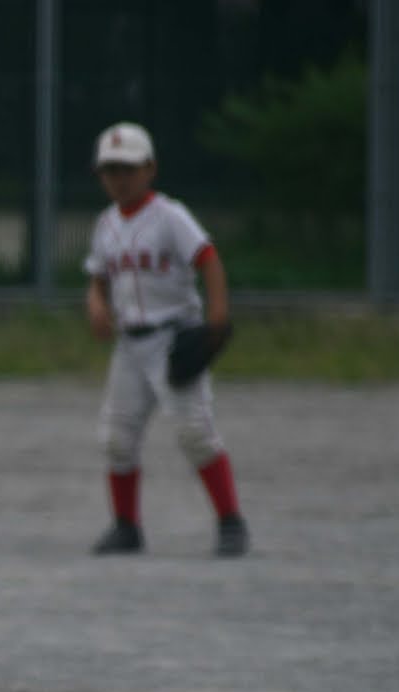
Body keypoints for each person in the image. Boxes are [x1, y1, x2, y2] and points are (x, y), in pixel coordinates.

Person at [82, 121, 249, 557]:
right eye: (110, 170)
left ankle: (231, 521)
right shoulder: (105, 224)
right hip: (129, 346)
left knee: (195, 432)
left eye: (128, 169)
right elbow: (98, 277)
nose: (119, 178)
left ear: (150, 169)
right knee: (116, 438)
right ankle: (126, 527)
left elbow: (208, 258)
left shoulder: (170, 215)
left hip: (173, 339)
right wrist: (96, 304)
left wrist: (216, 319)